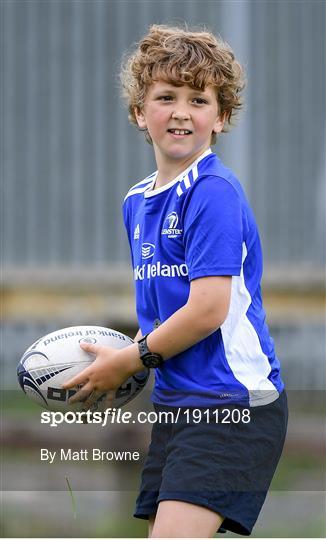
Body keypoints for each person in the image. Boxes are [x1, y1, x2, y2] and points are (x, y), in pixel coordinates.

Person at [64, 24, 288, 538]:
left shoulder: (213, 193)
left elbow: (209, 310)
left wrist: (132, 360)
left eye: (199, 99)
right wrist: (123, 352)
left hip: (231, 405)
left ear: (222, 116)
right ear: (140, 113)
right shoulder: (136, 202)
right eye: (166, 96)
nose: (182, 111)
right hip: (179, 405)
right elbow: (167, 309)